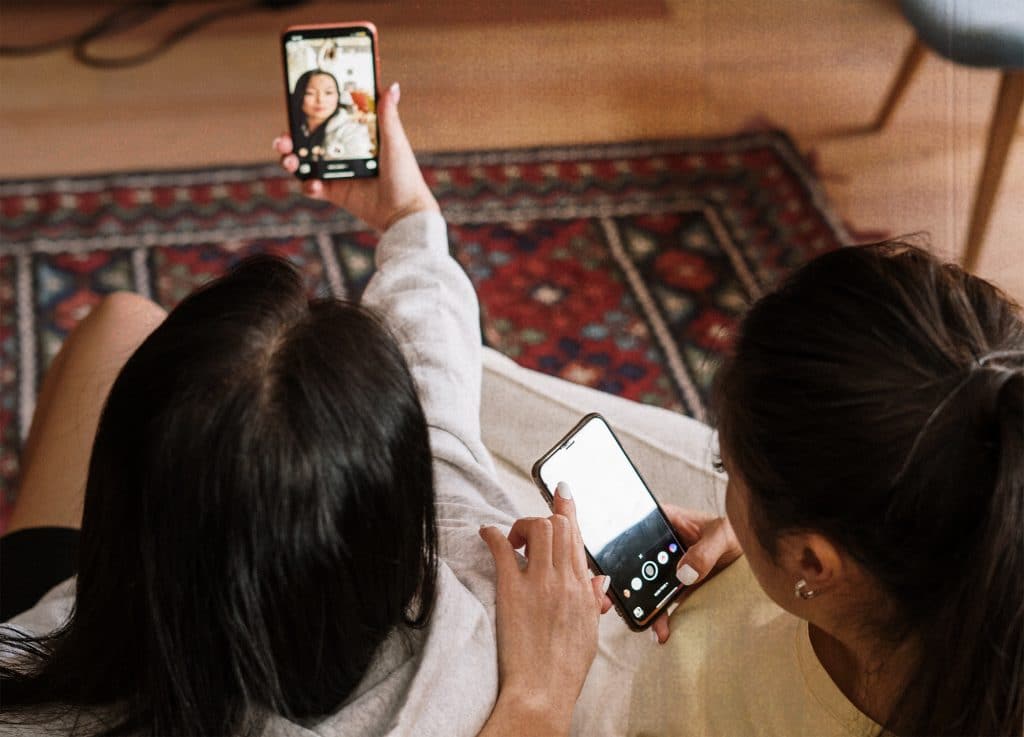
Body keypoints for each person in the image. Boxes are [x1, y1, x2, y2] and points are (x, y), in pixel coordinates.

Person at [0, 81, 608, 737]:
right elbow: (438, 394)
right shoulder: (482, 590)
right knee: (125, 320)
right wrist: (409, 217)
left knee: (118, 320)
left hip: (98, 654)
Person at [622, 241, 1023, 736]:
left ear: (812, 562)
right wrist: (763, 546)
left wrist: (539, 699)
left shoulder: (696, 701)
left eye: (726, 469)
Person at [289, 68, 373, 161]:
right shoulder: (293, 127)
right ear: (298, 95)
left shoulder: (352, 131)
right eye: (310, 93)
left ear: (338, 96)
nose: (320, 100)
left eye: (328, 93)